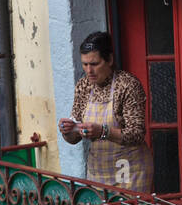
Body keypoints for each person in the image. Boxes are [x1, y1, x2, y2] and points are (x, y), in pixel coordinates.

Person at [58, 31, 154, 191]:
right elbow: (74, 138)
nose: (89, 70)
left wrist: (103, 131)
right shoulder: (83, 86)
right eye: (85, 64)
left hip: (130, 170)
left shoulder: (127, 85)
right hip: (99, 170)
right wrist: (68, 130)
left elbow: (136, 134)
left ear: (109, 59)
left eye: (94, 64)